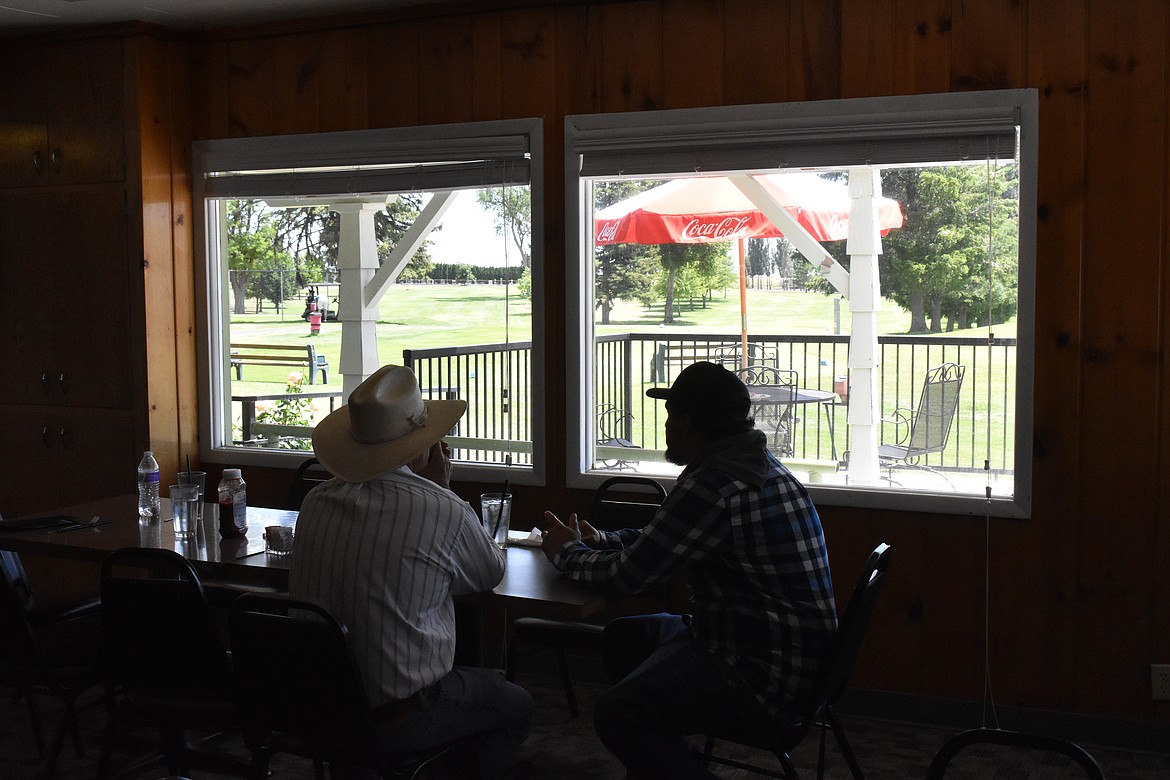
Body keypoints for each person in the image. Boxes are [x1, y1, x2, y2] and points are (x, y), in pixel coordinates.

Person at [537, 361, 838, 779]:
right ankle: (661, 760)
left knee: (617, 713)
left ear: (689, 422)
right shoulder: (755, 465)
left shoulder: (715, 483)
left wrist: (565, 552)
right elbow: (669, 537)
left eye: (669, 415)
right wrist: (601, 541)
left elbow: (628, 578)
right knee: (627, 637)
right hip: (792, 659)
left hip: (763, 678)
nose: (665, 425)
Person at [290, 364, 533, 779]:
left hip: (317, 707)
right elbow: (489, 571)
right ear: (421, 445)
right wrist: (441, 490)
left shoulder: (315, 501)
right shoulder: (441, 509)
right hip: (397, 716)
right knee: (515, 706)